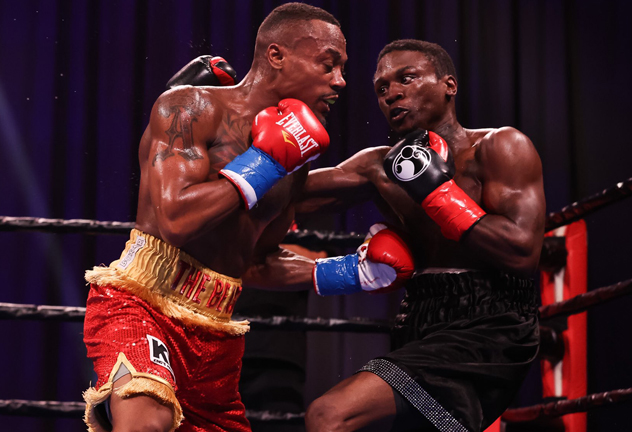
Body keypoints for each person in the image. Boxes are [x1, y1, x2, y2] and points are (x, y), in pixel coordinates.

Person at [81, 3, 350, 431]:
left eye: (341, 68)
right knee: (145, 419)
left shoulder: (296, 157)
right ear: (276, 56)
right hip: (142, 302)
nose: (340, 81)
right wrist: (261, 162)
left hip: (217, 331)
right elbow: (176, 218)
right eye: (328, 64)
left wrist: (348, 272)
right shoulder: (190, 107)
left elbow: (259, 263)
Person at [299, 39, 546, 432]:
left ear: (449, 85)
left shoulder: (499, 146)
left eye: (407, 78)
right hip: (418, 317)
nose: (392, 93)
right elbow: (279, 197)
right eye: (381, 89)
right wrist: (246, 144)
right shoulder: (378, 166)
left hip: (492, 323)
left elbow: (522, 253)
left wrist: (438, 195)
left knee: (329, 414)